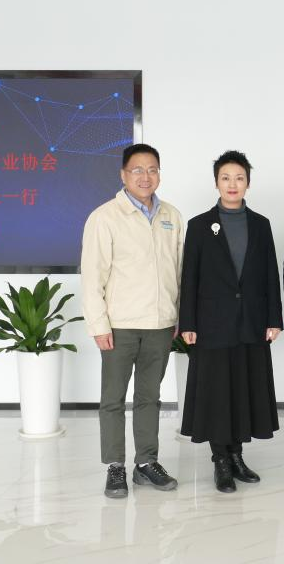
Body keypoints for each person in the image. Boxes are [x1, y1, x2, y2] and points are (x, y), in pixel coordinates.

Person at [81, 143, 182, 499]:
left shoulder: (171, 216)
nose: (145, 176)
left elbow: (179, 272)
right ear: (123, 175)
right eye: (137, 170)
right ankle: (115, 466)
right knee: (113, 398)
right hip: (119, 325)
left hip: (160, 324)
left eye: (152, 169)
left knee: (149, 397)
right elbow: (92, 276)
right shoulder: (105, 217)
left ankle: (146, 463)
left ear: (159, 174)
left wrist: (178, 315)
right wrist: (99, 325)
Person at [178, 151, 282, 494]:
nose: (232, 184)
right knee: (217, 392)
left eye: (239, 178)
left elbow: (270, 275)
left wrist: (274, 319)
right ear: (216, 183)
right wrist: (188, 322)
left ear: (248, 182)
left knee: (243, 389)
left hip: (251, 322)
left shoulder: (261, 224)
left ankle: (237, 456)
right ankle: (220, 460)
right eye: (226, 178)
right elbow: (189, 278)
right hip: (212, 324)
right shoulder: (199, 225)